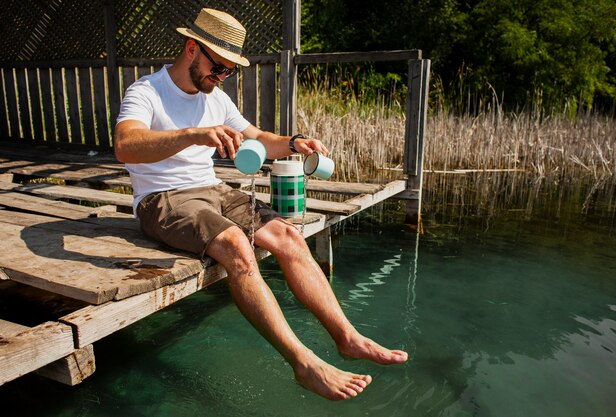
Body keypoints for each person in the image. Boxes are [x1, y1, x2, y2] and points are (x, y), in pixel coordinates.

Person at [114, 8, 408, 401]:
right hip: (161, 199)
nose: (220, 78)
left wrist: (293, 142)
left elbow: (256, 137)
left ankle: (347, 337)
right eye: (217, 68)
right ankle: (303, 363)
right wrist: (191, 135)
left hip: (212, 189)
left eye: (228, 72)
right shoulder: (146, 91)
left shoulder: (216, 98)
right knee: (237, 244)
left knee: (289, 235)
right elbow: (125, 146)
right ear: (190, 50)